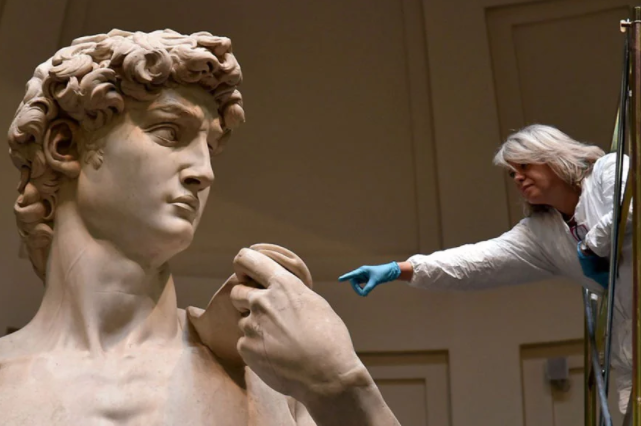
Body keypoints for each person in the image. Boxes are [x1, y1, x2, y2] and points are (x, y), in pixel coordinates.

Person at [0, 29, 400, 426]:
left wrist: (343, 388)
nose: (204, 172)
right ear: (64, 146)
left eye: (209, 147)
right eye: (170, 133)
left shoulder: (272, 377)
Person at [339, 124, 633, 414]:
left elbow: (629, 212)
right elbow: (475, 263)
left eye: (524, 166)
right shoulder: (542, 233)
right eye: (512, 173)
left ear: (553, 157)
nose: (517, 178)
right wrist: (398, 269)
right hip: (629, 351)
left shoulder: (609, 169)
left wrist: (588, 248)